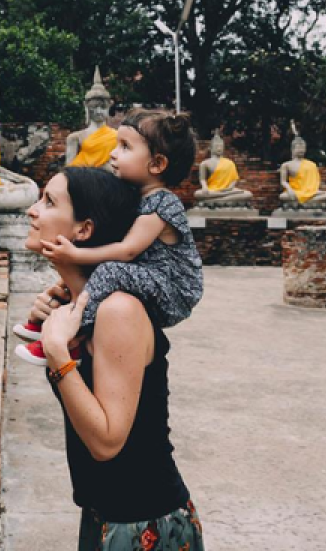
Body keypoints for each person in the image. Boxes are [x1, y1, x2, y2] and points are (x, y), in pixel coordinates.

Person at [24, 168, 205, 550]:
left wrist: (57, 352)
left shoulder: (119, 310)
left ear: (84, 230)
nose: (32, 210)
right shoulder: (81, 308)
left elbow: (107, 442)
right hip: (102, 514)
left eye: (49, 202)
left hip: (141, 522)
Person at [15, 109, 203, 364]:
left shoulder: (162, 203)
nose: (113, 153)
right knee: (96, 274)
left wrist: (75, 254)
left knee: (110, 271)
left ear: (157, 164)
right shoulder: (135, 198)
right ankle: (50, 319)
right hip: (149, 278)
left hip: (173, 290)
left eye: (125, 147)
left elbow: (127, 250)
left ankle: (73, 336)